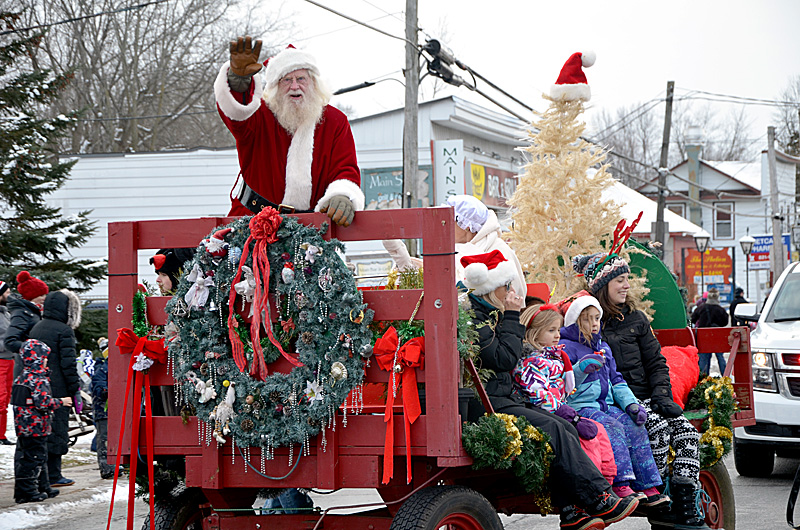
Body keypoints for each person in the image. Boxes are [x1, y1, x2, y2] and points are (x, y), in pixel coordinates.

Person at [461, 249, 638, 530]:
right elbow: (506, 358)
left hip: (502, 396)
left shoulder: (489, 315)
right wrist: (511, 315)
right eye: (506, 287)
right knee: (555, 428)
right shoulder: (478, 320)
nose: (510, 292)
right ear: (490, 288)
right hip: (486, 402)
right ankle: (598, 497)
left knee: (564, 427)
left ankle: (572, 512)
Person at [575, 251, 711, 529]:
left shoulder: (636, 319)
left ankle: (686, 503)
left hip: (649, 395)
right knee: (658, 429)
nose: (627, 286)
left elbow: (656, 361)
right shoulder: (591, 325)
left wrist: (662, 394)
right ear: (603, 286)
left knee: (686, 433)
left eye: (627, 280)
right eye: (620, 281)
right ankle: (655, 493)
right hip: (620, 399)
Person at [215, 36, 364, 226]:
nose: (295, 86)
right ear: (275, 86)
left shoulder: (335, 121)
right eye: (287, 80)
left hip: (311, 231)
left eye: (300, 78)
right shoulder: (259, 116)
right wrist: (239, 85)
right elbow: (237, 114)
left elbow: (345, 168)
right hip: (251, 222)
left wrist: (342, 195)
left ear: (313, 82)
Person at [558, 292, 668, 507]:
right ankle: (620, 482)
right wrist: (580, 369)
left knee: (634, 425)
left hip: (605, 404)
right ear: (575, 321)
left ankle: (647, 484)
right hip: (581, 407)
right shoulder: (566, 348)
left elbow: (617, 380)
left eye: (596, 318)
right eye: (587, 319)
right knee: (612, 427)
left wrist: (631, 404)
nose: (593, 324)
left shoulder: (603, 347)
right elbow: (562, 385)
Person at [513, 301, 618, 487]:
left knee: (599, 432)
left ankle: (609, 483)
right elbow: (538, 395)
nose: (557, 335)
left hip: (562, 409)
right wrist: (566, 413)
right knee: (586, 441)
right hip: (548, 412)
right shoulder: (531, 362)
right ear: (535, 333)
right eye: (551, 331)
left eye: (558, 330)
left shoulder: (554, 357)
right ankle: (592, 488)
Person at [382, 194, 526, 294]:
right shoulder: (455, 249)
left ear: (467, 226)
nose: (445, 226)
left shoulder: (499, 249)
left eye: (451, 221)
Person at [29, 289, 82, 488]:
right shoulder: (64, 330)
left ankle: (40, 474)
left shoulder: (37, 327)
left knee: (42, 430)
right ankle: (54, 474)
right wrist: (74, 388)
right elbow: (68, 364)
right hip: (58, 389)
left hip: (38, 387)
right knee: (58, 430)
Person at [12, 339, 72, 503]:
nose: (46, 360)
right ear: (37, 359)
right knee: (33, 459)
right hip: (35, 426)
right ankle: (27, 491)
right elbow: (43, 403)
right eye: (44, 357)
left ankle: (42, 486)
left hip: (25, 426)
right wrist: (62, 401)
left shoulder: (22, 377)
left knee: (37, 456)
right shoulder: (38, 379)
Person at [4, 271, 49, 379]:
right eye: (42, 295)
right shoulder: (23, 313)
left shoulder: (33, 312)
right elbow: (10, 341)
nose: (45, 298)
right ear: (32, 295)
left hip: (33, 365)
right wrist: (34, 349)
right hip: (27, 368)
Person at [90, 337, 114, 479]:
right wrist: (107, 390)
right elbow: (98, 388)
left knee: (114, 439)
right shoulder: (101, 370)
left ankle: (117, 464)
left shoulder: (118, 368)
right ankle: (106, 467)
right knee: (104, 440)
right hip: (103, 411)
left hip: (115, 412)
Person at [691, 288, 729, 376]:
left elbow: (693, 319)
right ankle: (725, 376)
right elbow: (725, 322)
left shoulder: (701, 308)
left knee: (704, 359)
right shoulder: (721, 310)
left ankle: (702, 378)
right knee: (720, 357)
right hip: (717, 336)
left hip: (704, 337)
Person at [0, 280, 15, 445]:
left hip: (9, 359)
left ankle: (1, 435)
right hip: (1, 359)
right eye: (7, 292)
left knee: (5, 399)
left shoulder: (6, 313)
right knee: (0, 398)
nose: (9, 295)